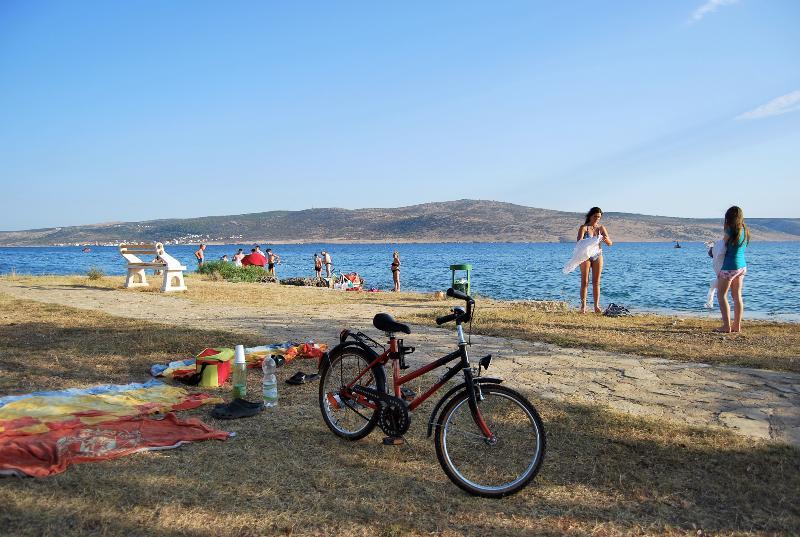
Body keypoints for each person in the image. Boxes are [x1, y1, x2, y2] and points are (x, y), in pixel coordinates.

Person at [716, 206, 750, 333]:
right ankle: (737, 325)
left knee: (721, 295)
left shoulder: (730, 231)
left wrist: (711, 251)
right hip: (741, 267)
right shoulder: (745, 231)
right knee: (737, 296)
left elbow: (721, 248)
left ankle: (726, 326)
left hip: (729, 267)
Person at [577, 207, 612, 313]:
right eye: (595, 216)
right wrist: (591, 240)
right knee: (585, 281)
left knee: (596, 282)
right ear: (590, 215)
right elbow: (579, 242)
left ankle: (596, 306)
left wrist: (605, 239)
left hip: (597, 255)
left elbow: (610, 243)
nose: (597, 219)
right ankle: (583, 307)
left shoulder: (601, 228)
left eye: (599, 217)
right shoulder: (584, 228)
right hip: (585, 256)